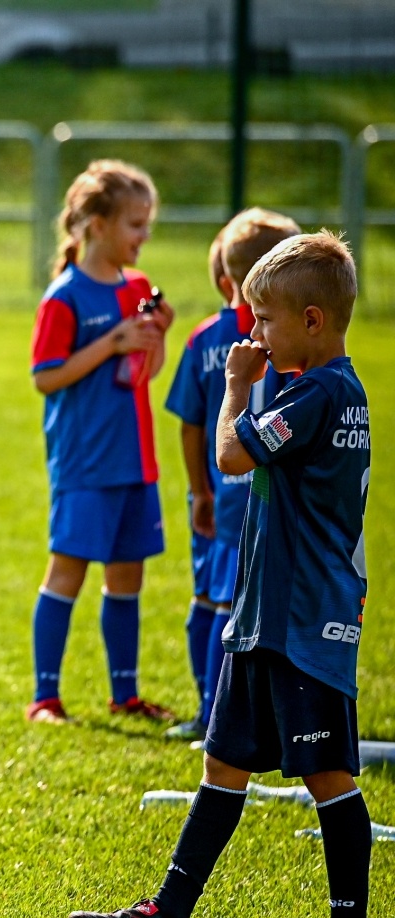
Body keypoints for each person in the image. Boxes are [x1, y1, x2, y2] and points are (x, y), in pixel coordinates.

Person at [69, 232, 374, 918]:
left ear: (310, 320)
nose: (253, 334)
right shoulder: (318, 385)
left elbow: (232, 453)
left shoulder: (322, 390)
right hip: (264, 612)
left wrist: (236, 384)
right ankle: (169, 917)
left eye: (263, 321)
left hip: (304, 617)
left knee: (328, 775)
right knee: (224, 762)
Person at [25, 159, 177, 726]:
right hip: (85, 460)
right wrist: (111, 341)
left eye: (147, 225)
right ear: (96, 224)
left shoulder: (138, 288)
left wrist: (154, 336)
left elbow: (146, 370)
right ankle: (45, 698)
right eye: (135, 224)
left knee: (127, 574)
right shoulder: (64, 297)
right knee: (67, 570)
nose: (143, 236)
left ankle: (126, 694)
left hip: (135, 458)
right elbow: (45, 376)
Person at [162, 209, 301, 741]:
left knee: (212, 597)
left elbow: (189, 425)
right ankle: (218, 716)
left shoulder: (204, 339)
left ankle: (210, 707)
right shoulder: (283, 336)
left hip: (222, 492)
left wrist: (198, 490)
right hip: (263, 492)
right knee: (234, 605)